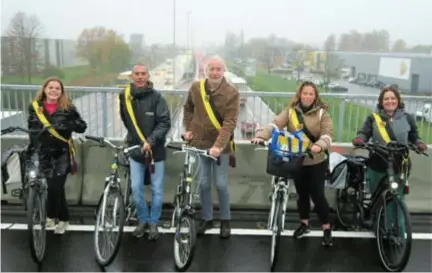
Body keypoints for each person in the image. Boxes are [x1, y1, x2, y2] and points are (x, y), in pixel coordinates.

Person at [252, 81, 334, 247]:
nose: (308, 96)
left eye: (311, 94)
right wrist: (262, 136)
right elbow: (275, 124)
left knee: (318, 196)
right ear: (300, 95)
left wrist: (320, 145)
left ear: (315, 97)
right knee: (301, 195)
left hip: (316, 160)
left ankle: (326, 228)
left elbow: (327, 134)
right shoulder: (290, 112)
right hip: (297, 159)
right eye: (305, 93)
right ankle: (304, 223)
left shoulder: (322, 114)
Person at [352, 86, 427, 226]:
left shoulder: (407, 118)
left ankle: (399, 231)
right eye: (386, 99)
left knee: (398, 198)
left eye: (393, 98)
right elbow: (364, 132)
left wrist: (419, 143)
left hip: (400, 164)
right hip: (378, 162)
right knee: (378, 197)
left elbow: (414, 136)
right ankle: (378, 225)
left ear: (398, 100)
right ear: (381, 102)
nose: (390, 101)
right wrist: (360, 139)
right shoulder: (373, 118)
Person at [183, 56, 239, 238]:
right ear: (206, 71)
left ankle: (225, 219)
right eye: (211, 69)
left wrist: (218, 146)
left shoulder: (232, 93)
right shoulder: (196, 88)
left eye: (218, 69)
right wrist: (189, 129)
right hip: (200, 143)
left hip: (220, 146)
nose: (215, 72)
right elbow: (188, 109)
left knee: (221, 184)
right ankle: (207, 218)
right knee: (204, 183)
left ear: (224, 71)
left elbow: (230, 123)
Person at [27, 77, 87, 235]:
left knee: (55, 187)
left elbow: (82, 126)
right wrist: (32, 149)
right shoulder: (34, 107)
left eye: (57, 88)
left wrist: (69, 125)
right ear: (45, 89)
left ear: (61, 91)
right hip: (44, 153)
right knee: (56, 189)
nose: (54, 91)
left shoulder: (68, 108)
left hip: (62, 153)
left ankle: (50, 216)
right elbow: (31, 131)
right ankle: (64, 219)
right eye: (51, 87)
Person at [119, 64, 171, 240]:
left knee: (157, 189)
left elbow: (164, 122)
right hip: (135, 150)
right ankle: (143, 219)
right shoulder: (125, 96)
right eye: (137, 74)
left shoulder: (157, 97)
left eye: (143, 74)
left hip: (155, 151)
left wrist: (151, 141)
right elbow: (126, 120)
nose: (140, 77)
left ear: (148, 76)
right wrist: (136, 140)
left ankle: (153, 222)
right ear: (132, 76)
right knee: (136, 188)